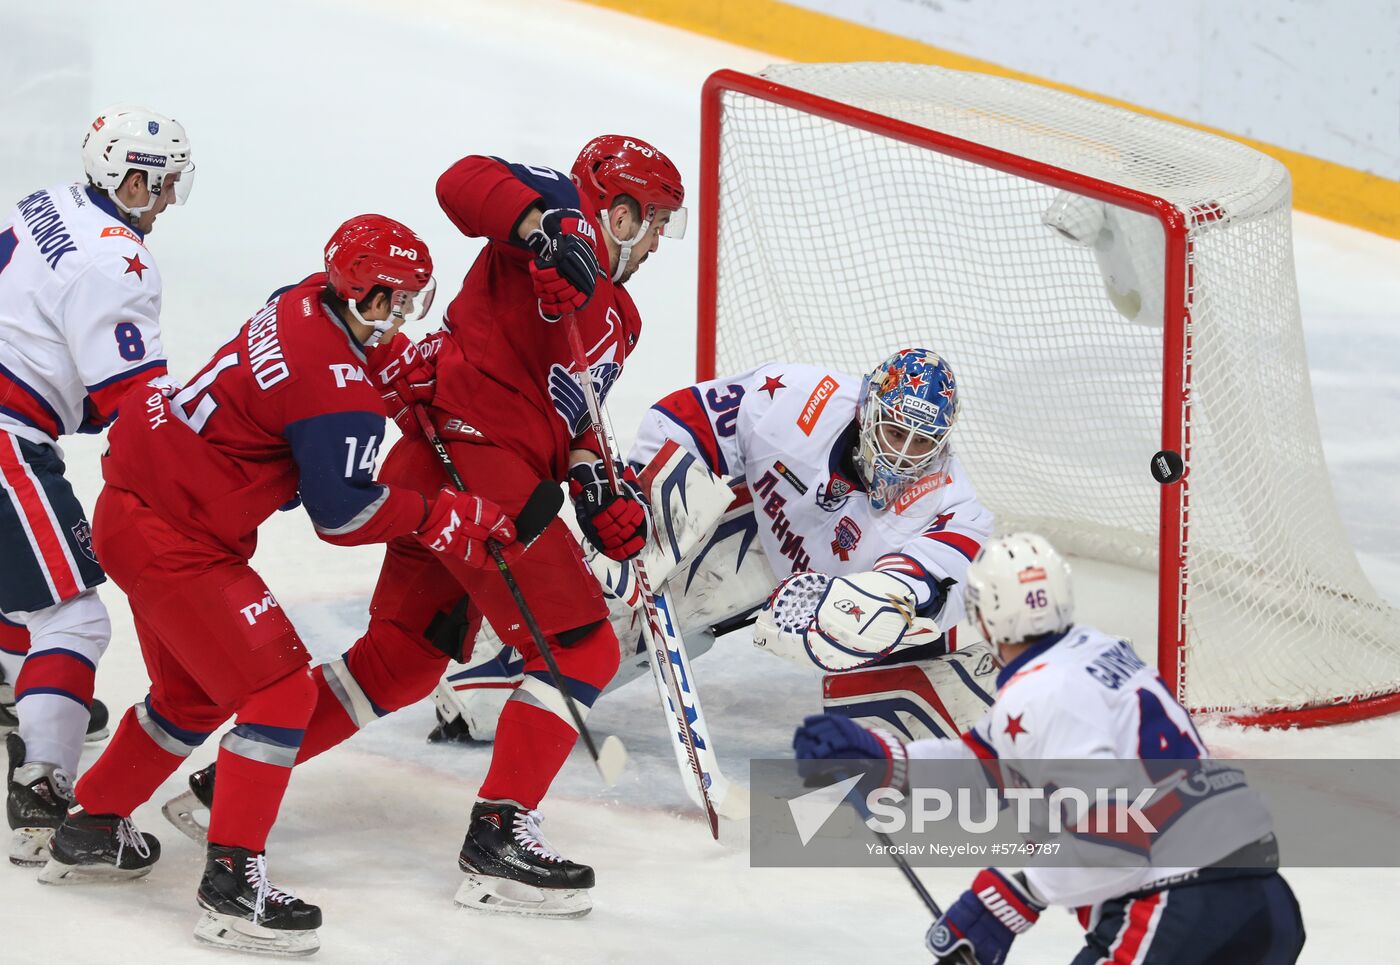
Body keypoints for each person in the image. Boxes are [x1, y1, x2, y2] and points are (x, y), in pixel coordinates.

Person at [166, 135, 687, 918]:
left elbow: (571, 414)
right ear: (620, 214)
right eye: (656, 223)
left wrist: (593, 480)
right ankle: (499, 841)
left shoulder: (623, 316)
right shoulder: (557, 208)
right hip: (475, 464)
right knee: (584, 646)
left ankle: (225, 787)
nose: (658, 243)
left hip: (453, 467)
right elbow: (461, 180)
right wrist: (543, 228)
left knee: (402, 659)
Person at [40, 215, 518, 957]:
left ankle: (92, 823)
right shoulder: (339, 393)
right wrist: (442, 514)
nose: (401, 317)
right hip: (178, 538)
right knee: (282, 691)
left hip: (137, 507)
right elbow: (343, 513)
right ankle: (232, 885)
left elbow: (306, 377)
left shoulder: (299, 297)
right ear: (362, 295)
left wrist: (386, 366)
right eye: (393, 302)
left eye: (407, 303)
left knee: (193, 696)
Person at [431, 348, 1000, 746]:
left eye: (922, 442)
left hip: (833, 589)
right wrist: (646, 503)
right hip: (763, 534)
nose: (903, 454)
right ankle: (488, 673)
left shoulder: (954, 505)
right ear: (867, 410)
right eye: (895, 432)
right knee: (633, 609)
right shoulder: (796, 400)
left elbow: (933, 584)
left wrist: (868, 603)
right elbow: (683, 418)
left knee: (943, 682)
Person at [794, 533, 1306, 965]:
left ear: (984, 618)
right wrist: (890, 762)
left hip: (1180, 908)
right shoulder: (1096, 651)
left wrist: (1009, 898)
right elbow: (989, 765)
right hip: (1263, 898)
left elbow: (1118, 844)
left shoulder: (1041, 692)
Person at [0, 106, 193, 865]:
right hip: (5, 436)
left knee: (21, 577)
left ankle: (19, 686)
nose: (170, 200)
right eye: (164, 183)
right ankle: (42, 790)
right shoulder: (119, 261)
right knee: (73, 618)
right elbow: (133, 408)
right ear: (131, 180)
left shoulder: (47, 200)